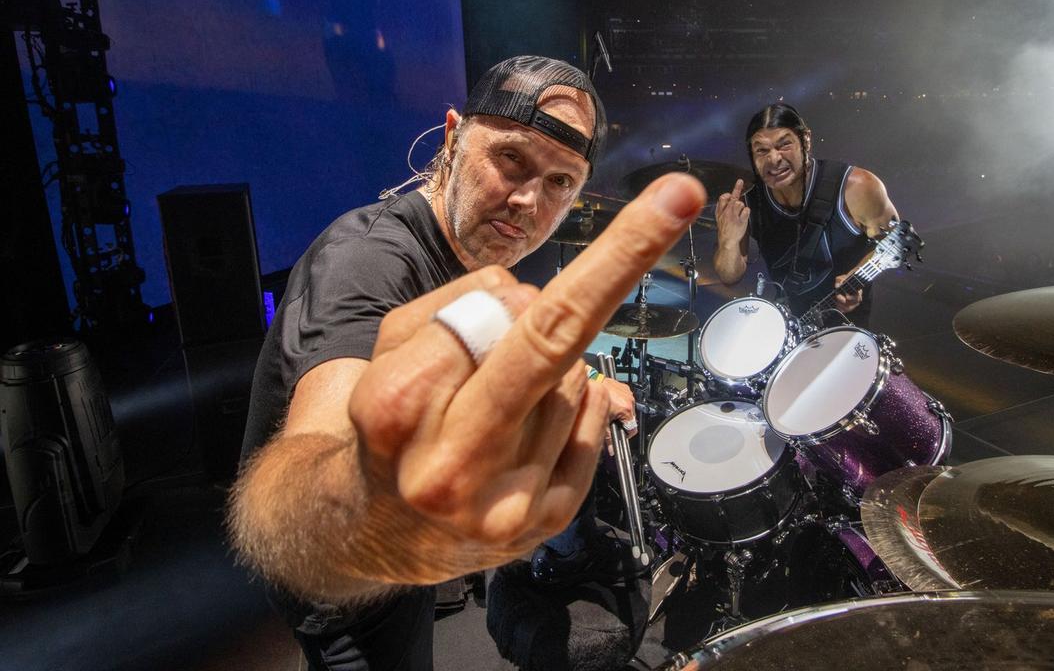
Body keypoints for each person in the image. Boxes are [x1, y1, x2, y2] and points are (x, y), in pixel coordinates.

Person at [227, 55, 706, 670]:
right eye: (511, 159)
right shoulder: (367, 262)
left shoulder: (464, 253)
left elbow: (486, 342)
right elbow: (315, 473)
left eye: (560, 182)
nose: (527, 200)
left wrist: (588, 380)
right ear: (453, 137)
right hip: (349, 598)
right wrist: (364, 515)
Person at [713, 103, 898, 326]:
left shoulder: (857, 187)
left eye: (784, 145)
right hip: (791, 325)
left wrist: (858, 277)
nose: (774, 159)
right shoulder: (748, 201)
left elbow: (896, 243)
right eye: (762, 150)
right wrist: (728, 241)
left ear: (806, 140)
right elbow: (729, 277)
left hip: (847, 328)